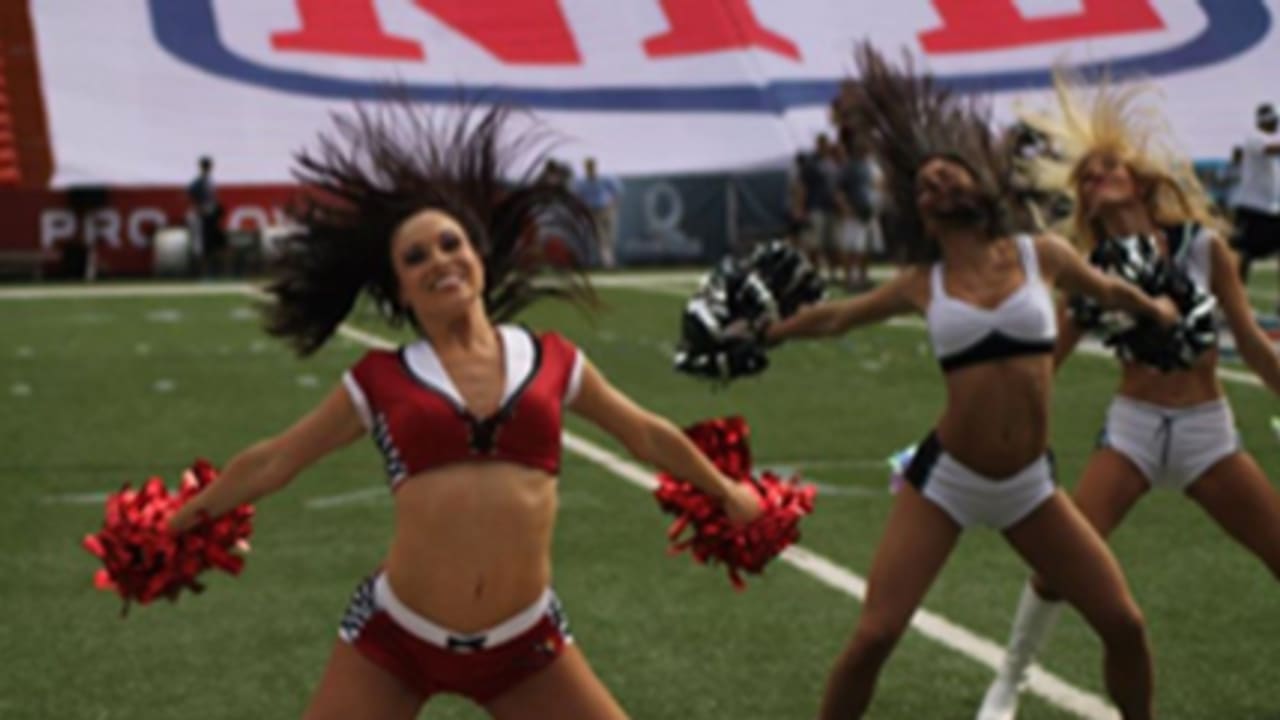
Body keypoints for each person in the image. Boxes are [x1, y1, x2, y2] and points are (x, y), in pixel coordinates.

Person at [166, 104, 761, 720]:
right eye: (416, 257)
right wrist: (180, 521)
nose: (440, 261)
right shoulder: (381, 379)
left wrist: (724, 491)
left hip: (526, 647)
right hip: (395, 641)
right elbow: (277, 460)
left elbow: (644, 433)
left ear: (477, 256)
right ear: (400, 289)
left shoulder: (552, 359)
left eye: (450, 244)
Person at [764, 46, 1179, 720]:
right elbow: (837, 316)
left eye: (950, 173)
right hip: (947, 479)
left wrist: (1154, 308)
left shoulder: (1038, 254)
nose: (939, 184)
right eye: (926, 184)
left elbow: (1105, 287)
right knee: (874, 636)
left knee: (1124, 623)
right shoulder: (920, 285)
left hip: (1029, 486)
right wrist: (770, 332)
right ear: (922, 215)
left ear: (979, 186)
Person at [977, 73, 1280, 720]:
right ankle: (1009, 680)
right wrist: (993, 422)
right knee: (1062, 563)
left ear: (1138, 180)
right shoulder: (1091, 272)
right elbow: (1047, 360)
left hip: (1206, 429)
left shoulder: (1206, 250)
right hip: (1134, 430)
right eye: (1085, 177)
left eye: (1107, 168)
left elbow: (1252, 345)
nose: (1095, 179)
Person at [1229, 103, 1280, 292]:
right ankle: (1234, 298)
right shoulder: (1255, 138)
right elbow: (1270, 149)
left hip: (1269, 209)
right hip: (1252, 208)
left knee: (1247, 254)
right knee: (1243, 254)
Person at [570, 157, 624, 268]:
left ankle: (609, 260)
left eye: (592, 166)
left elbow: (617, 192)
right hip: (593, 212)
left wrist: (613, 206)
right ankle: (607, 262)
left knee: (611, 236)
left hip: (606, 210)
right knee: (601, 237)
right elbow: (577, 197)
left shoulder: (605, 179)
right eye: (588, 167)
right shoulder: (581, 182)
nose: (590, 169)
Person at [187, 156, 226, 276]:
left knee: (214, 243)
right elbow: (190, 193)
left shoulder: (209, 181)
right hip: (203, 216)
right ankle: (201, 272)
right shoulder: (199, 182)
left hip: (211, 215)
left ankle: (213, 271)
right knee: (202, 245)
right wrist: (198, 207)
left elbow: (213, 198)